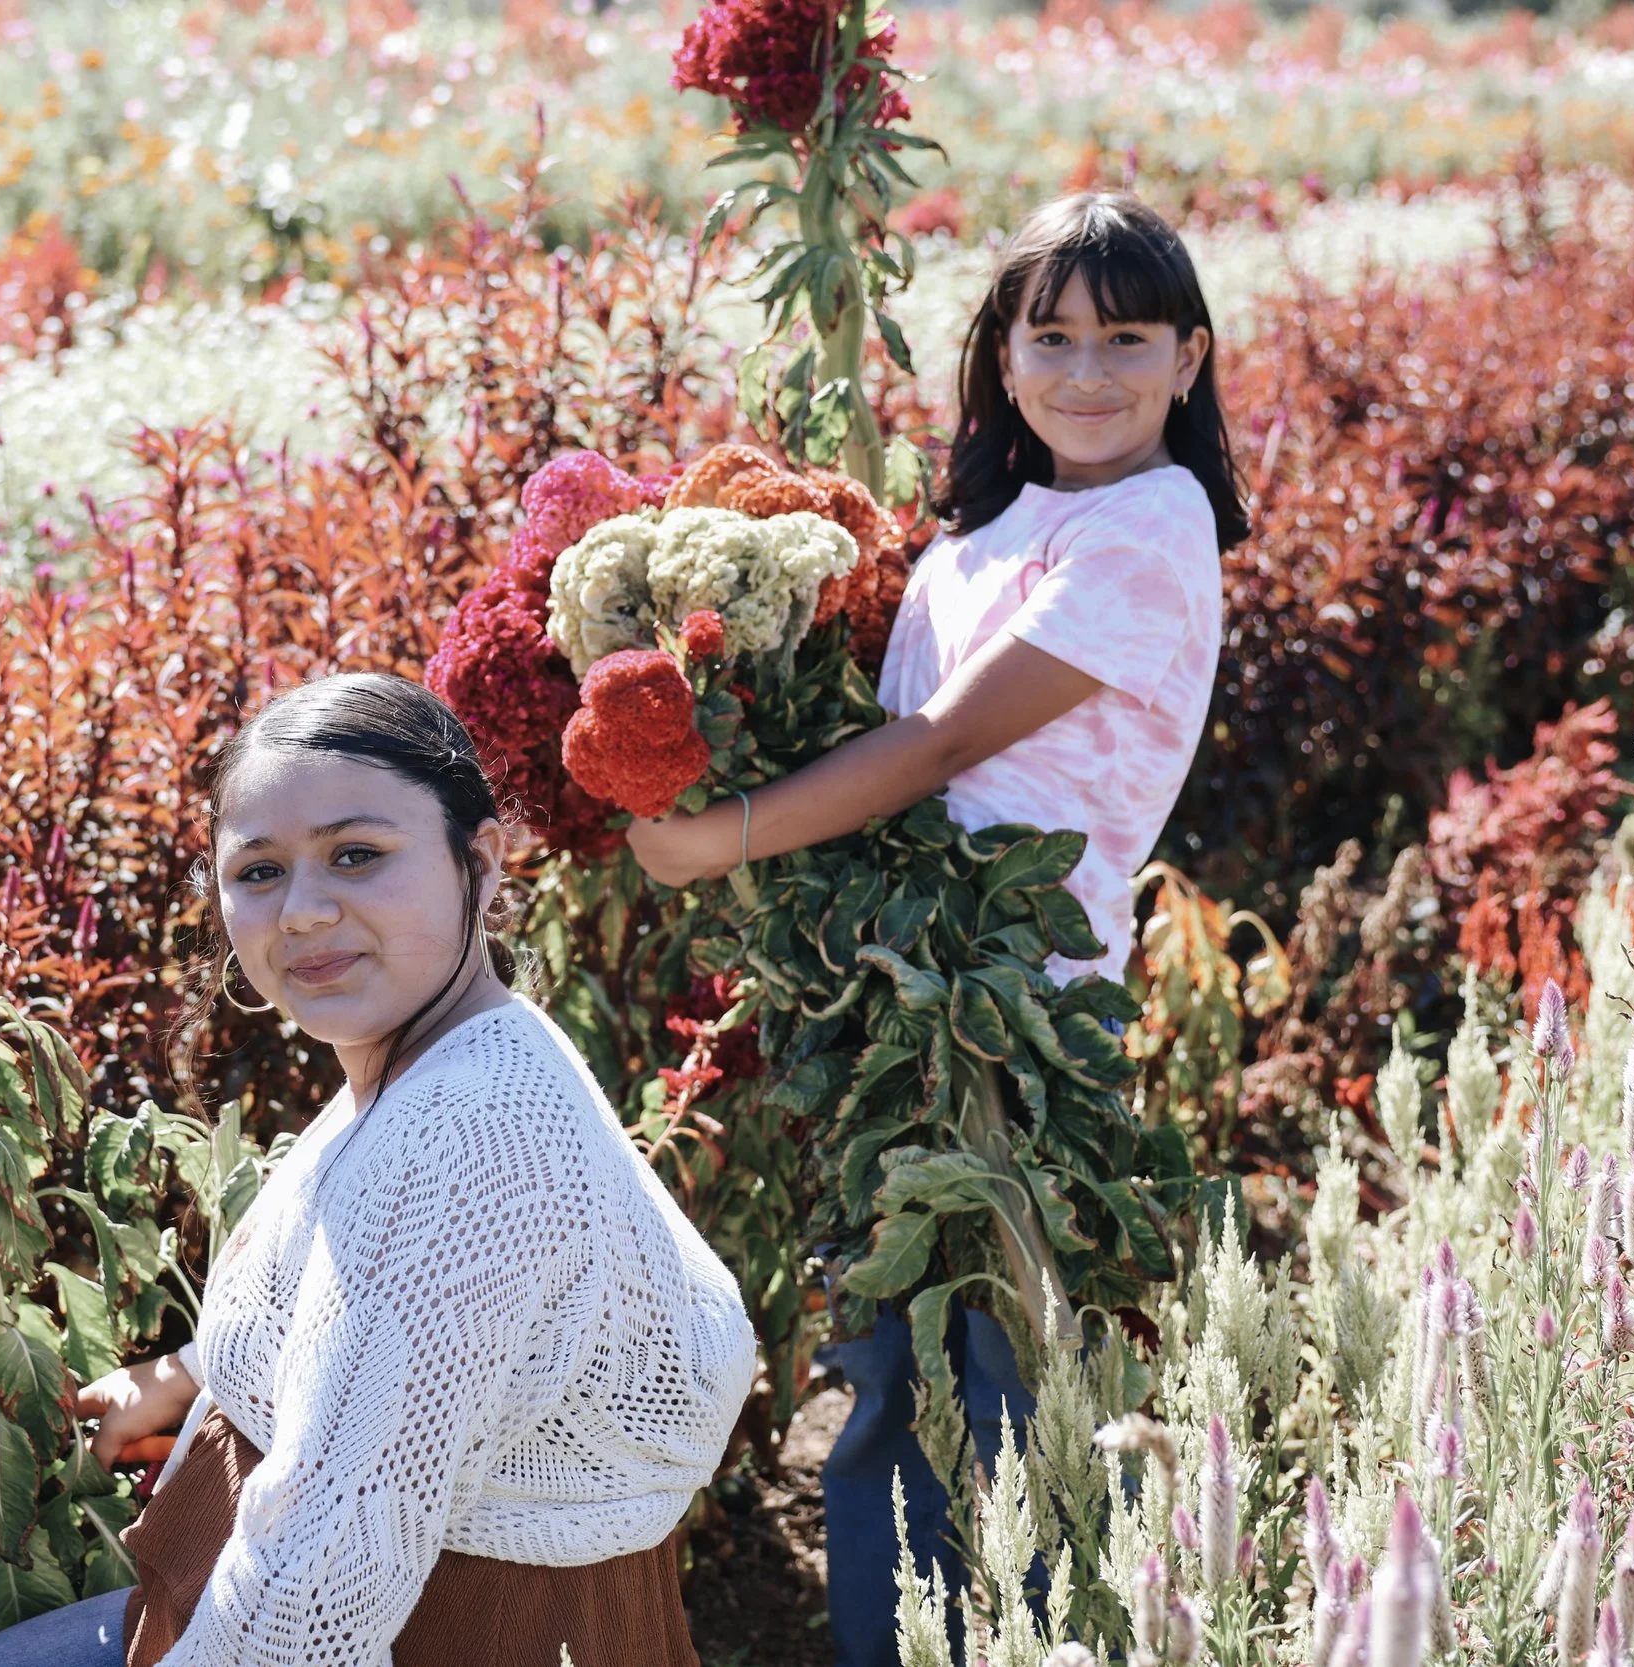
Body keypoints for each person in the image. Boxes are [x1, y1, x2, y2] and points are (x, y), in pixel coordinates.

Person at [625, 190, 1251, 1667]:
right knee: (889, 1371)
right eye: (1053, 335)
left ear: (1190, 357)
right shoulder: (984, 532)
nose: (1086, 370)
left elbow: (940, 747)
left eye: (1126, 336)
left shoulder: (1152, 524)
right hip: (900, 994)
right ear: (1002, 353)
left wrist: (713, 838)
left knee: (1005, 1386)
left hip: (1025, 1006)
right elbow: (878, 739)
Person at [0, 673, 758, 1666]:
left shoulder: (462, 1140)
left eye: (357, 854)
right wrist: (192, 1375)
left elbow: (317, 1587)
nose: (301, 910)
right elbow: (396, 1329)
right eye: (258, 871)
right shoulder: (461, 1053)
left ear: (482, 860)